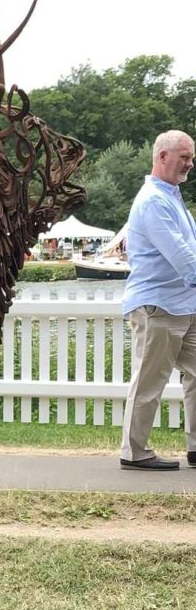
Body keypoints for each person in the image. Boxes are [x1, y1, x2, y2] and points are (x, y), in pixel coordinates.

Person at [120, 129, 196, 470]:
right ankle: (134, 453)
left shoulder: (172, 197)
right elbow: (182, 256)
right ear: (162, 157)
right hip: (158, 306)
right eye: (185, 157)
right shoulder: (153, 200)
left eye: (191, 158)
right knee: (149, 382)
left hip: (184, 304)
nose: (190, 164)